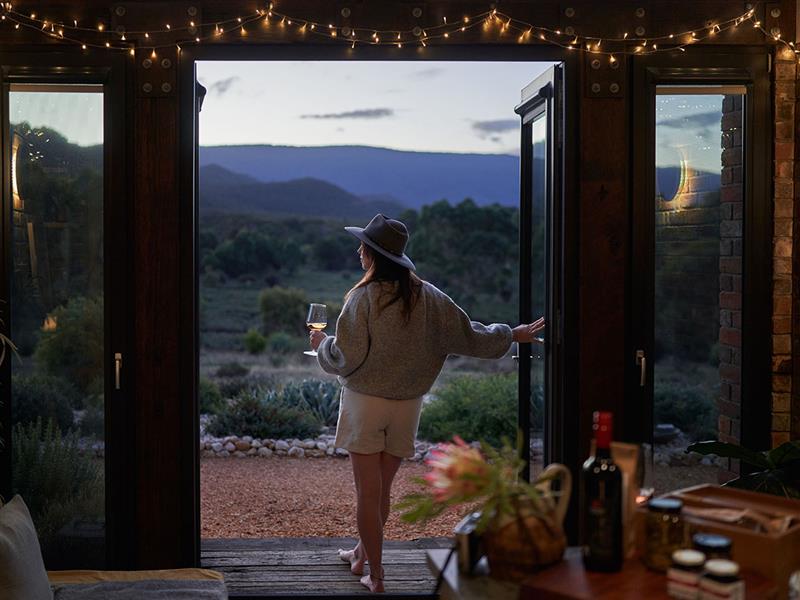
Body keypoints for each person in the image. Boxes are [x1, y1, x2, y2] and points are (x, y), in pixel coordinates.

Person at [309, 213, 544, 593]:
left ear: (372, 255)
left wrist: (323, 348)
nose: (358, 251)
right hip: (407, 406)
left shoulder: (362, 297)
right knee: (382, 493)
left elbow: (346, 357)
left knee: (368, 495)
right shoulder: (431, 298)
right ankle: (360, 556)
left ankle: (377, 576)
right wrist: (511, 335)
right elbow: (471, 336)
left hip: (364, 404)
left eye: (363, 247)